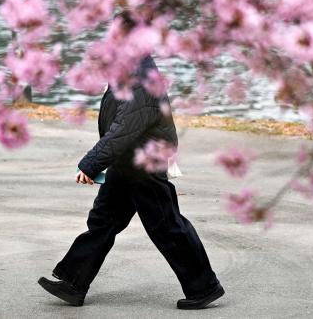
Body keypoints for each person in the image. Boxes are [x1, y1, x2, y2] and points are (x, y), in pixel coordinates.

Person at [38, 54, 224, 309]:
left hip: (144, 166)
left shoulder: (143, 84)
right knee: (102, 222)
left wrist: (92, 164)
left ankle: (204, 287)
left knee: (167, 226)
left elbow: (122, 131)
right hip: (125, 164)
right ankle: (73, 283)